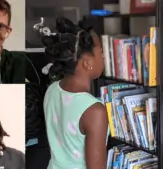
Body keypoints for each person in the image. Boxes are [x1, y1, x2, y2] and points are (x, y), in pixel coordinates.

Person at [42, 16, 109, 169]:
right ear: (87, 62)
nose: (104, 57)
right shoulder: (94, 110)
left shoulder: (52, 90)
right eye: (100, 53)